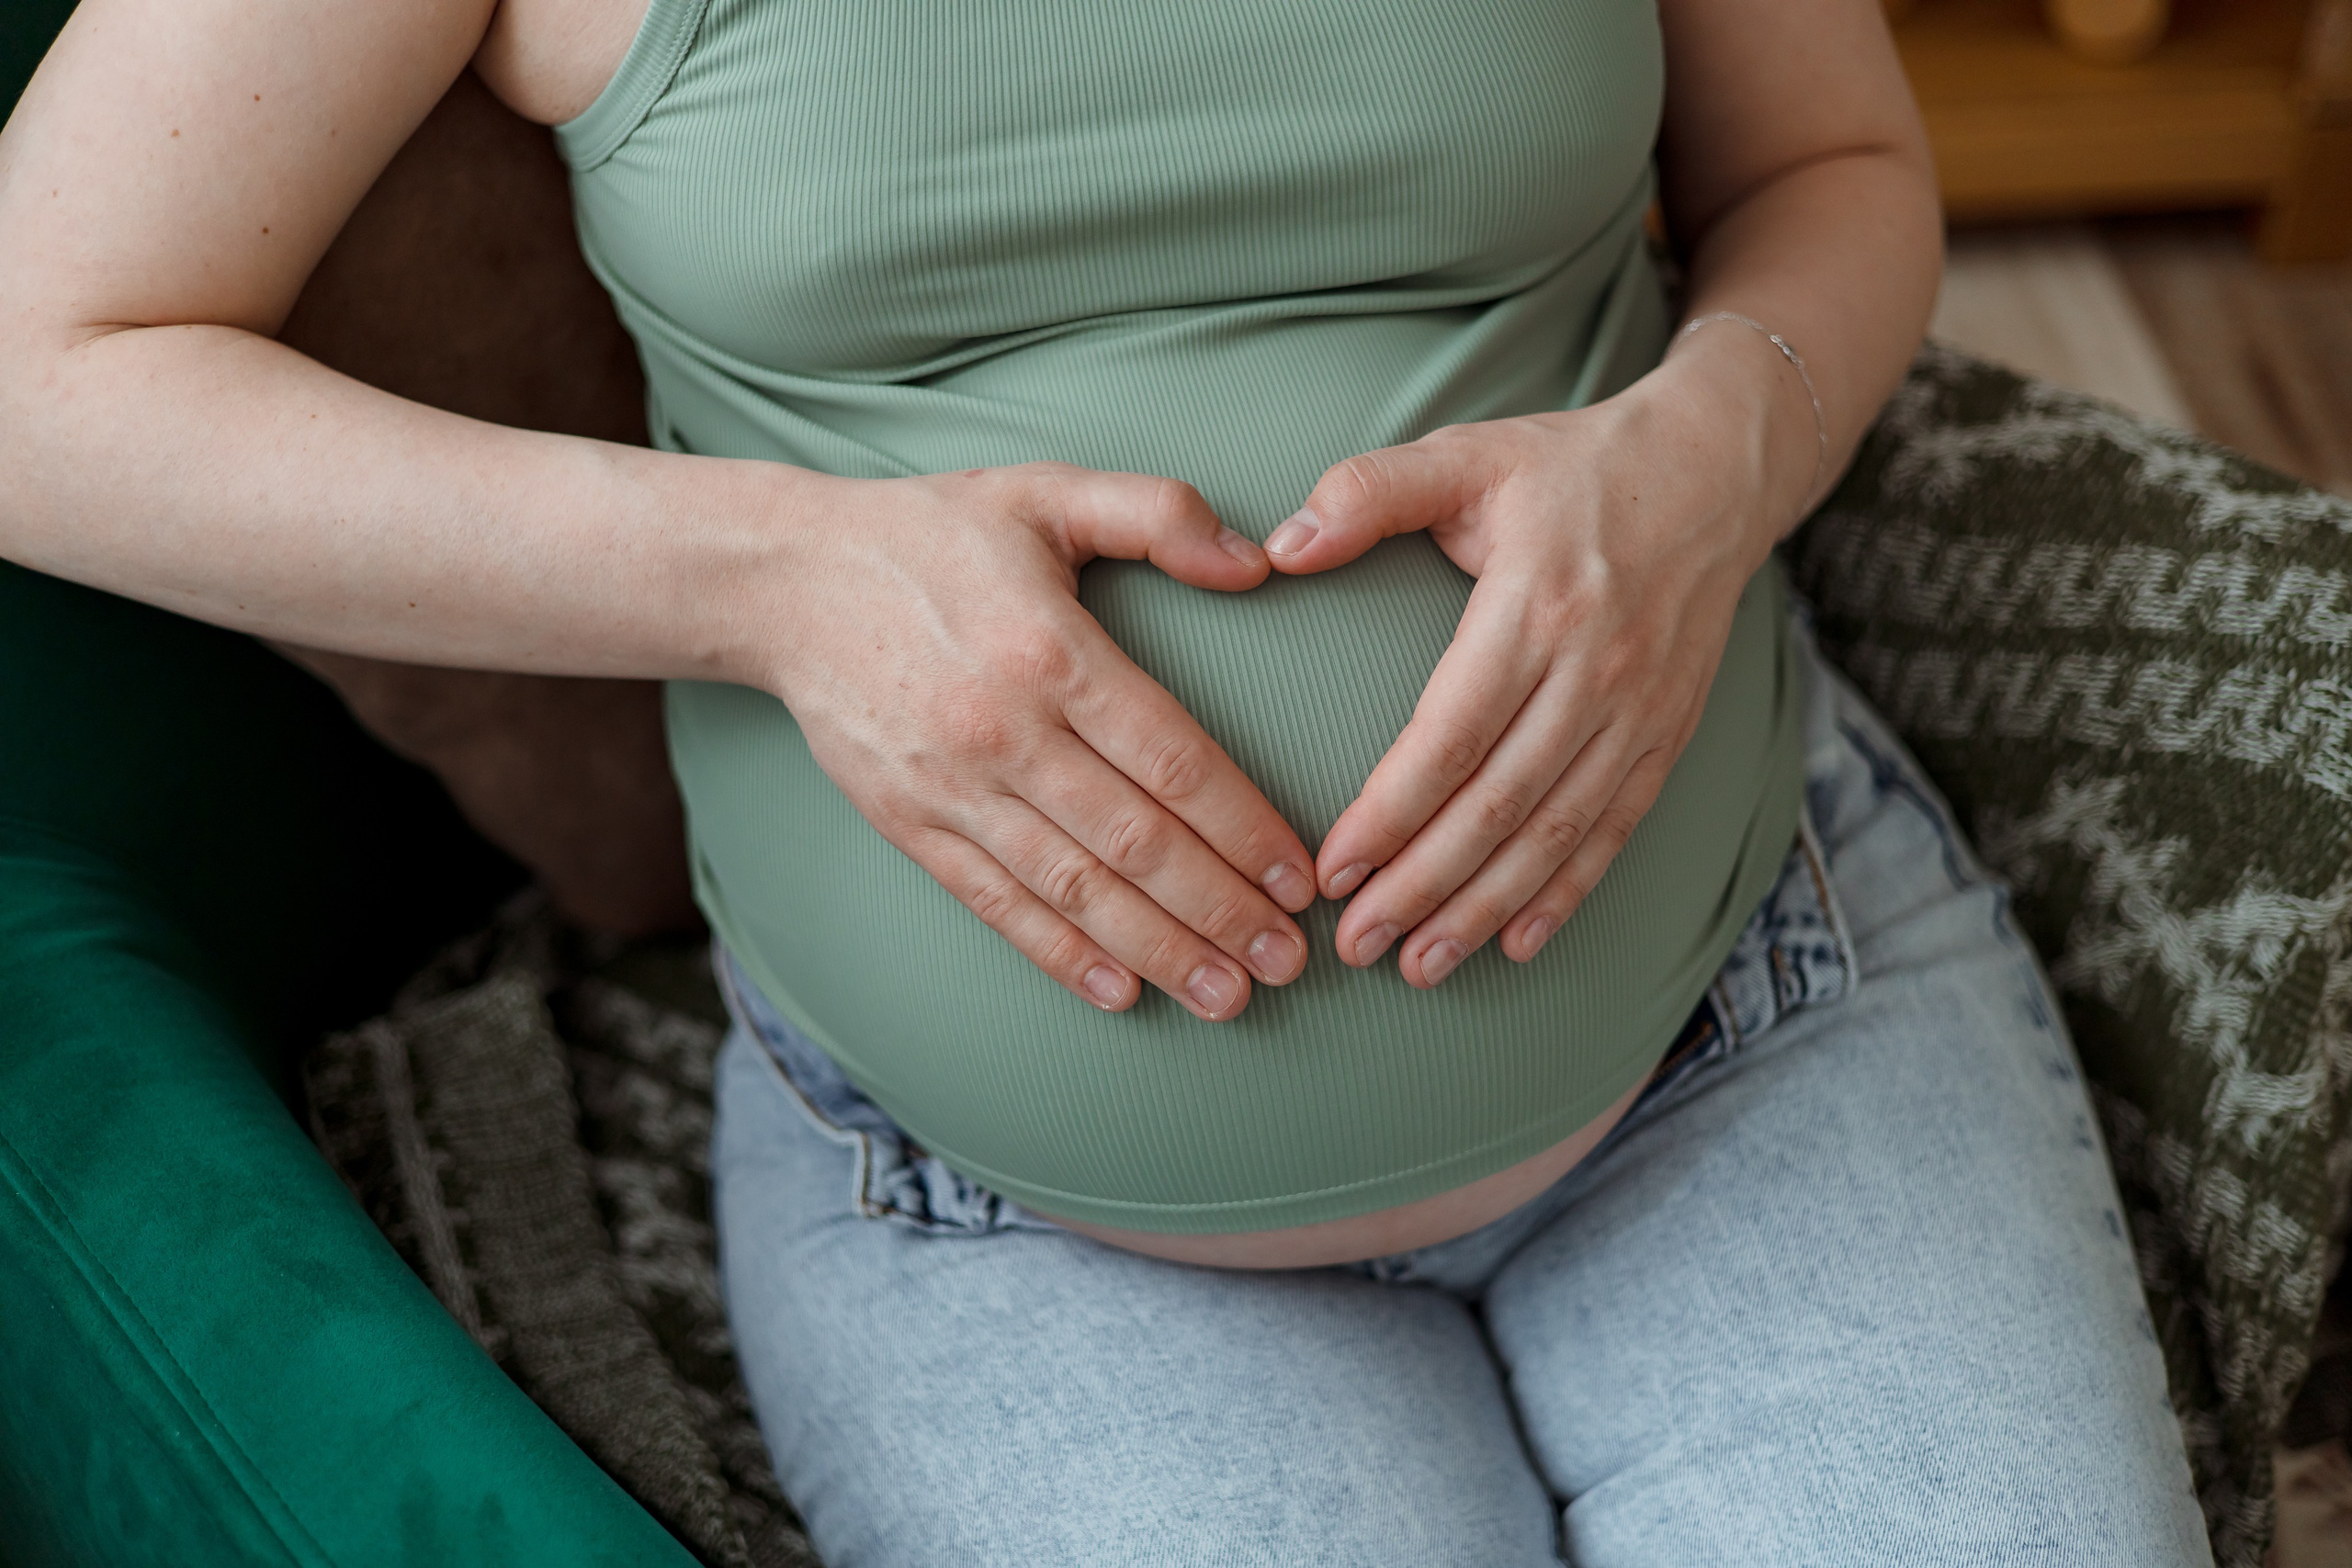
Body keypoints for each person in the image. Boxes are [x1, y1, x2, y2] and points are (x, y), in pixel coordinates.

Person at [0, 0, 2212, 1561]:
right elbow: (37, 372)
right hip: (1015, 1222)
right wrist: (787, 582)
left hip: (1756, 1014)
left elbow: (1826, 167)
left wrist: (1713, 446)